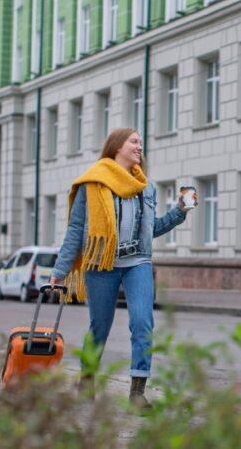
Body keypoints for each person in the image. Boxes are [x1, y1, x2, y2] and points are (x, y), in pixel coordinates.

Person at [49, 127, 195, 409]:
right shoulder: (93, 183)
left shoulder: (146, 187)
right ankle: (87, 382)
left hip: (137, 262)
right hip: (101, 263)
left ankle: (137, 392)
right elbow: (76, 229)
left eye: (141, 142)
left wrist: (179, 212)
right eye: (134, 142)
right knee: (99, 327)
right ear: (117, 147)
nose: (140, 147)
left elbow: (152, 229)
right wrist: (60, 271)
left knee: (143, 324)